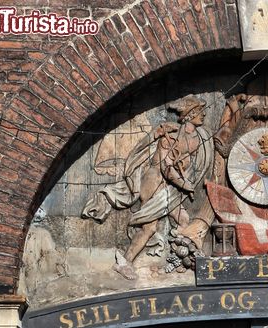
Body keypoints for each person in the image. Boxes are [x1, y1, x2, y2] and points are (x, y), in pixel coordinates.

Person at [82, 95, 213, 279]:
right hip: (154, 181)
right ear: (190, 115)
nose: (204, 114)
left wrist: (186, 180)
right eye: (200, 111)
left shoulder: (197, 139)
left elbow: (187, 165)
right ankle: (125, 262)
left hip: (171, 187)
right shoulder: (170, 136)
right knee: (149, 227)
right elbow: (165, 167)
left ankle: (179, 261)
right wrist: (185, 184)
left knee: (184, 220)